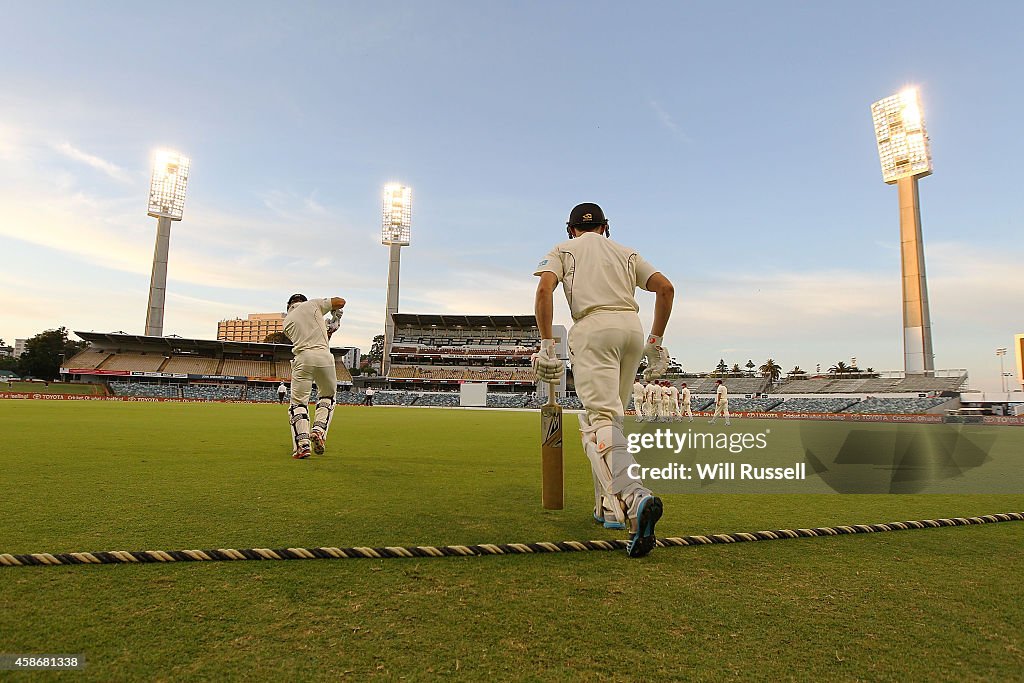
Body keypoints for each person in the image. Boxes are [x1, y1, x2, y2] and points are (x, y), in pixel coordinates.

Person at [533, 202, 675, 558]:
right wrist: (655, 342)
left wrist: (547, 344)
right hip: (631, 329)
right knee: (612, 421)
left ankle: (632, 494)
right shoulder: (627, 253)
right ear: (605, 227)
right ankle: (609, 509)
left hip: (593, 328)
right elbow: (665, 288)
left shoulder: (563, 250)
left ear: (571, 230)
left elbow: (544, 291)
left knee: (598, 422)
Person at [283, 293, 345, 459]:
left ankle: (303, 445)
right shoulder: (312, 304)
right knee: (327, 396)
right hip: (325, 358)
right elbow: (341, 301)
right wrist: (334, 317)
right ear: (304, 301)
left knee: (298, 403)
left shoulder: (286, 322)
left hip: (303, 358)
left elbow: (308, 336)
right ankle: (318, 430)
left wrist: (328, 328)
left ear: (289, 305)